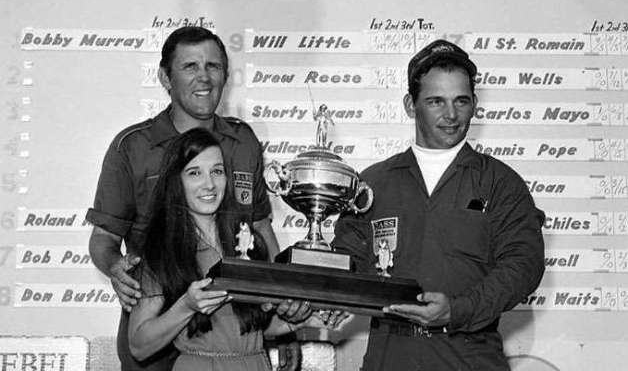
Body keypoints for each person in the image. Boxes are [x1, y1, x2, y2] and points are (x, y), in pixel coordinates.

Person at [87, 26, 295, 371]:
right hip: (157, 319)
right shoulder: (133, 146)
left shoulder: (243, 141)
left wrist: (283, 298)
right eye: (190, 66)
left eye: (213, 66)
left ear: (226, 75)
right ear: (164, 78)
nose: (204, 77)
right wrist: (116, 268)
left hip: (234, 327)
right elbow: (103, 238)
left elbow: (260, 228)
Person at [332, 39, 545, 370]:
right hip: (390, 359)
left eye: (461, 101)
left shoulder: (501, 183)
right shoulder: (372, 184)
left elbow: (523, 266)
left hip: (469, 359)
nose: (451, 115)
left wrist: (458, 310)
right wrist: (316, 294)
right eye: (436, 101)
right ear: (410, 105)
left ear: (475, 104)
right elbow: (346, 262)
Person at [128, 128, 351, 371]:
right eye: (195, 173)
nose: (209, 184)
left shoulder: (248, 243)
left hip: (255, 364)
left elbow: (250, 330)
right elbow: (139, 346)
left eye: (217, 171)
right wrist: (186, 306)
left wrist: (301, 321)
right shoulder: (162, 251)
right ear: (176, 182)